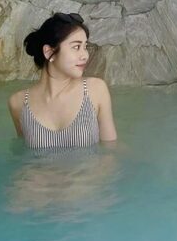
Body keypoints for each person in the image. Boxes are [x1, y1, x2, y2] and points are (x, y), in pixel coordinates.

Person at [8, 12, 117, 148]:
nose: (85, 55)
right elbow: (22, 154)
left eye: (85, 47)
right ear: (49, 52)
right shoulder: (18, 103)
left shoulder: (96, 90)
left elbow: (110, 151)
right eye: (76, 47)